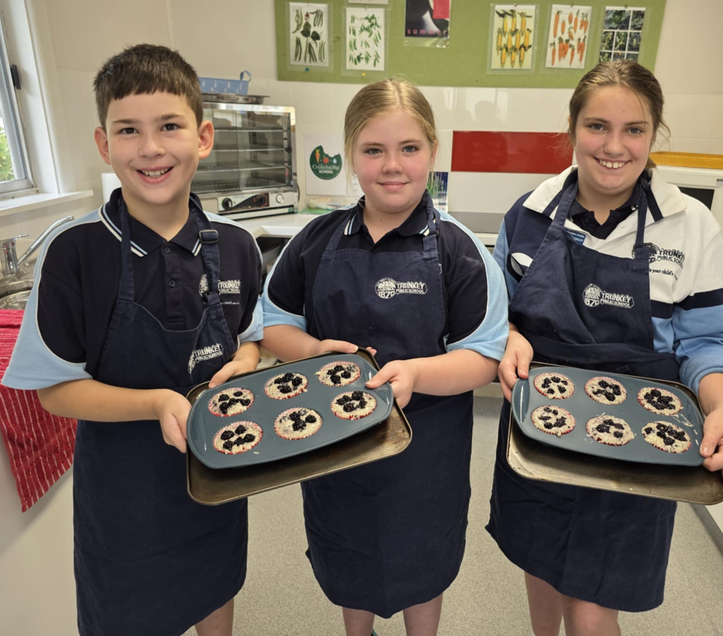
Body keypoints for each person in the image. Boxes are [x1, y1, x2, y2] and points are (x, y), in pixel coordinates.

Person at [2, 44, 264, 636]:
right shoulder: (75, 254)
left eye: (169, 126)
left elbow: (251, 341)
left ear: (202, 137)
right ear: (104, 144)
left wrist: (245, 363)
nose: (150, 148)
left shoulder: (237, 246)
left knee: (216, 586)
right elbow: (55, 390)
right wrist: (154, 403)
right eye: (129, 130)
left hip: (218, 475)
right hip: (124, 500)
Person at [486, 60, 723, 636]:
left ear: (654, 135)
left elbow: (705, 340)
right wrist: (509, 337)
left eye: (635, 130)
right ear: (573, 127)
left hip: (640, 442)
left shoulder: (689, 226)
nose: (614, 146)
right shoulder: (528, 215)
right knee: (542, 563)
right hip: (540, 428)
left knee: (593, 603)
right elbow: (496, 317)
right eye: (597, 126)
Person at [261, 79, 508, 636]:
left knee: (423, 559)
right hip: (335, 448)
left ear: (432, 154)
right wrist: (312, 351)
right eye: (373, 150)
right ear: (351, 156)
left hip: (427, 454)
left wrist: (417, 374)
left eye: (409, 149)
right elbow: (273, 323)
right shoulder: (314, 240)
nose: (392, 165)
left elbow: (484, 357)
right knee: (347, 553)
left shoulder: (460, 250)